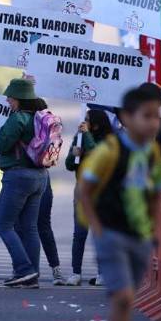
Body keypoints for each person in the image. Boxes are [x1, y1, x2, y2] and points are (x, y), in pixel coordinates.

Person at [78, 85, 161, 321]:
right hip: (111, 232)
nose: (153, 123)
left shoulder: (152, 154)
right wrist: (97, 226)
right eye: (146, 116)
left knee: (129, 298)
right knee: (123, 296)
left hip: (138, 234)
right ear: (126, 117)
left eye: (156, 117)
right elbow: (85, 190)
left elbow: (156, 193)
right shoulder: (110, 150)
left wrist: (154, 228)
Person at [0, 78, 48, 288]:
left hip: (18, 176)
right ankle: (30, 275)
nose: (7, 100)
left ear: (18, 99)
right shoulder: (40, 117)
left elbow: (0, 146)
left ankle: (24, 269)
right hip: (40, 176)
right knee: (30, 228)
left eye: (10, 97)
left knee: (3, 225)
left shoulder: (17, 119)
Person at [64, 107, 113, 286]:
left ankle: (102, 273)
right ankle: (76, 272)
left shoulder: (108, 141)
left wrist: (87, 138)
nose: (83, 122)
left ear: (97, 125)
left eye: (87, 119)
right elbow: (69, 165)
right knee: (79, 233)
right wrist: (74, 154)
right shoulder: (80, 137)